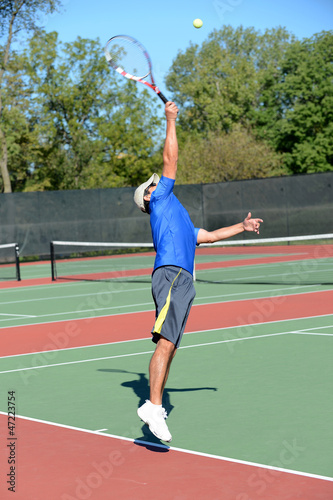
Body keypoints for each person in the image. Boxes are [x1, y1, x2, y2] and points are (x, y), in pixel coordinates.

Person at [134, 102, 263, 442]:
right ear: (149, 197)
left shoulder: (182, 221)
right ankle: (153, 405)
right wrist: (170, 119)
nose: (157, 181)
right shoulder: (160, 199)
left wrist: (243, 225)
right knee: (165, 344)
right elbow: (171, 160)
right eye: (152, 184)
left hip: (184, 281)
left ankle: (155, 404)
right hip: (172, 274)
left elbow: (210, 236)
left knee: (171, 345)